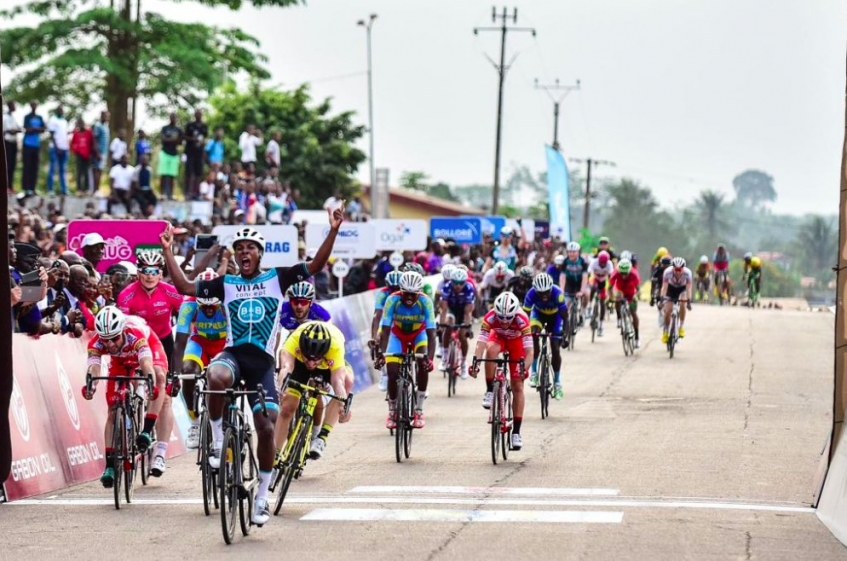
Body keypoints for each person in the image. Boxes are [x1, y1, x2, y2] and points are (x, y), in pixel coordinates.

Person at [159, 204, 343, 527]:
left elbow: (315, 265)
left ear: (260, 254)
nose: (244, 253)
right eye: (239, 249)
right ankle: (216, 441)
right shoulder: (225, 283)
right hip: (233, 355)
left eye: (250, 249)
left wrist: (334, 230)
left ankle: (261, 498)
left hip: (262, 364)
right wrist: (167, 252)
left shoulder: (279, 277)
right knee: (215, 374)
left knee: (267, 427)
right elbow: (185, 288)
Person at [82, 307, 169, 487]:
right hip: (120, 361)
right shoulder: (96, 343)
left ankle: (146, 429)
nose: (110, 345)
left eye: (114, 338)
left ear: (122, 331)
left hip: (149, 347)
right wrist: (92, 385)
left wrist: (151, 381)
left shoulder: (134, 334)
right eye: (105, 340)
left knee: (159, 377)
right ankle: (110, 465)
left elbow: (146, 363)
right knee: (113, 411)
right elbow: (94, 368)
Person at [116, 249, 182, 474]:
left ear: (161, 273)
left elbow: (185, 323)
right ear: (138, 272)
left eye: (154, 271)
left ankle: (160, 453)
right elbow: (122, 331)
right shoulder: (126, 295)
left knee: (164, 397)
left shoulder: (171, 293)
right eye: (145, 270)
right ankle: (135, 409)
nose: (149, 275)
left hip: (162, 343)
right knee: (134, 385)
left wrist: (179, 364)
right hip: (136, 343)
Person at [275, 321, 352, 464]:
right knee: (287, 408)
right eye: (308, 358)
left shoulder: (334, 347)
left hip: (326, 366)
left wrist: (343, 405)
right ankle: (274, 458)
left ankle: (321, 437)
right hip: (298, 365)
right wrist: (280, 389)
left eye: (314, 359)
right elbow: (286, 368)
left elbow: (338, 381)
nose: (310, 363)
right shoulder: (294, 340)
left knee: (348, 382)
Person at [469, 291, 533, 450]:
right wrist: (475, 362)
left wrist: (523, 368)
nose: (504, 321)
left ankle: (516, 433)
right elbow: (481, 344)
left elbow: (530, 352)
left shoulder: (522, 319)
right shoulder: (490, 317)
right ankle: (490, 390)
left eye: (508, 318)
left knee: (518, 386)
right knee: (490, 351)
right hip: (497, 338)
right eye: (501, 318)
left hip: (516, 342)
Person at [173, 269, 227, 448]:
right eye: (205, 306)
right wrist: (174, 375)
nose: (209, 310)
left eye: (213, 305)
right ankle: (194, 423)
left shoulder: (228, 302)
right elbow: (180, 342)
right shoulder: (188, 305)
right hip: (200, 343)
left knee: (226, 378)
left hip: (224, 343)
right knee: (188, 372)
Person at [374, 271, 436, 429]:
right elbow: (386, 330)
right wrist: (381, 354)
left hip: (419, 335)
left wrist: (429, 359)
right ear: (401, 291)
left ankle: (419, 409)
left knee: (422, 363)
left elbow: (431, 334)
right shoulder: (392, 299)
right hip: (397, 335)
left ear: (419, 292)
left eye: (413, 294)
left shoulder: (426, 301)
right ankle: (393, 410)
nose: (409, 298)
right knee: (392, 371)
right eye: (406, 294)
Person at [523, 273, 568, 399]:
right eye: (540, 293)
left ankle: (557, 383)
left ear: (551, 289)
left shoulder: (558, 293)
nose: (544, 296)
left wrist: (565, 335)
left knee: (555, 347)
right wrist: (523, 334)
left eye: (546, 292)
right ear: (535, 290)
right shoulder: (531, 294)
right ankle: (534, 373)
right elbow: (524, 316)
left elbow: (565, 317)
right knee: (533, 335)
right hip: (538, 315)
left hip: (556, 317)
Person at [438, 267, 476, 377]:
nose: (458, 285)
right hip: (451, 309)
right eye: (455, 283)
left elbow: (468, 312)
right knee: (448, 326)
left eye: (461, 283)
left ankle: (463, 363)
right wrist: (441, 325)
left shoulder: (469, 289)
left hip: (463, 311)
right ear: (451, 281)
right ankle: (444, 358)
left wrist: (468, 327)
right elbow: (443, 309)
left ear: (465, 281)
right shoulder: (446, 287)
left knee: (462, 336)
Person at [370, 270, 403, 391]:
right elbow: (377, 315)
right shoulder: (383, 293)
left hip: (402, 321)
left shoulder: (406, 294)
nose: (394, 291)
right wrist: (374, 336)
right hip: (387, 321)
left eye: (397, 288)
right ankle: (384, 374)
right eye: (392, 288)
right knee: (380, 338)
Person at [610, 258, 642, 348]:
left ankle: (637, 337)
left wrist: (636, 296)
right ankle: (619, 318)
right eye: (622, 273)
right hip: (620, 291)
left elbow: (638, 289)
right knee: (617, 300)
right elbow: (610, 287)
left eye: (626, 273)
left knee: (633, 312)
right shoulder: (615, 273)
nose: (624, 275)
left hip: (631, 292)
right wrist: (611, 298)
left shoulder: (634, 273)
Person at [660, 257, 693, 343]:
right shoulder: (667, 272)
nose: (678, 272)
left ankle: (681, 327)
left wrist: (689, 300)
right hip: (670, 289)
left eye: (680, 269)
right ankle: (666, 331)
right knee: (668, 310)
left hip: (682, 289)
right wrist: (662, 298)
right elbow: (664, 287)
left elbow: (689, 288)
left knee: (682, 304)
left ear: (683, 268)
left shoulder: (688, 273)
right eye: (676, 269)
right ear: (673, 267)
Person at [587, 251, 614, 336]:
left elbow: (611, 278)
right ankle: (590, 305)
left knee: (602, 303)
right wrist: (591, 282)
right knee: (593, 287)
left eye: (604, 264)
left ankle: (601, 325)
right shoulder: (594, 262)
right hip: (595, 278)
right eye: (601, 263)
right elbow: (589, 273)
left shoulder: (609, 264)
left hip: (603, 281)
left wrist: (610, 288)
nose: (602, 265)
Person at [21, 101, 46, 195]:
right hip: (27, 144)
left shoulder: (40, 117)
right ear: (30, 106)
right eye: (33, 105)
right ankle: (26, 188)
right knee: (27, 166)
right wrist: (36, 129)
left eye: (36, 105)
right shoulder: (27, 117)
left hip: (36, 145)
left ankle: (33, 188)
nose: (34, 106)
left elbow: (43, 129)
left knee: (35, 167)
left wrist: (35, 129)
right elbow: (27, 128)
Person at [560, 241, 589, 318]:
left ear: (578, 252)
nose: (571, 254)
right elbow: (562, 276)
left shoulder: (583, 261)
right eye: (569, 252)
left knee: (586, 294)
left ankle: (583, 310)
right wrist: (562, 289)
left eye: (574, 252)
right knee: (566, 303)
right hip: (570, 283)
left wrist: (582, 291)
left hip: (580, 282)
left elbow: (585, 276)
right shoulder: (565, 261)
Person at [183, 109, 208, 199]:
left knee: (199, 174)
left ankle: (196, 193)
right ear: (194, 115)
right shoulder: (190, 125)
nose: (198, 116)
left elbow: (206, 137)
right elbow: (184, 136)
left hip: (199, 154)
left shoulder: (204, 126)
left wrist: (203, 142)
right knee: (189, 174)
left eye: (200, 114)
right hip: (190, 153)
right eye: (197, 114)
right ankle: (187, 193)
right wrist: (193, 139)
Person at [158, 113, 182, 200]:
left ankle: (170, 194)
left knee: (172, 176)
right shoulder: (165, 128)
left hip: (174, 154)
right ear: (169, 118)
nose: (173, 119)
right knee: (163, 174)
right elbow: (163, 139)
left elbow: (180, 141)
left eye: (175, 118)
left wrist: (170, 140)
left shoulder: (179, 130)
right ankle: (162, 193)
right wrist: (173, 140)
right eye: (172, 117)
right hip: (165, 153)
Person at [70, 118, 94, 194]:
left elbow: (92, 143)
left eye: (82, 123)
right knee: (79, 172)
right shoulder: (76, 133)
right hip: (79, 155)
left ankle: (86, 189)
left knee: (86, 172)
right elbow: (72, 144)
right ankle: (79, 189)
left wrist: (91, 153)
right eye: (79, 124)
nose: (81, 125)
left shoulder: (89, 132)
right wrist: (75, 150)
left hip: (87, 155)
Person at [3, 101, 22, 190]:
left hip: (14, 143)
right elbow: (8, 131)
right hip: (7, 143)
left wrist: (15, 131)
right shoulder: (5, 117)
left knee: (13, 165)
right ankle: (6, 185)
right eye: (14, 105)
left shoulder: (13, 117)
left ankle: (10, 185)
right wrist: (14, 131)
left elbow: (19, 129)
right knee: (7, 165)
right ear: (10, 106)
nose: (15, 107)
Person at [92, 111, 110, 191]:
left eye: (108, 116)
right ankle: (95, 190)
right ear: (102, 116)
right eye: (105, 116)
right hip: (99, 152)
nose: (107, 118)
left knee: (101, 170)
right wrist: (97, 152)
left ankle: (98, 189)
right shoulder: (98, 126)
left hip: (104, 152)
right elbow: (94, 139)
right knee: (97, 170)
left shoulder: (106, 126)